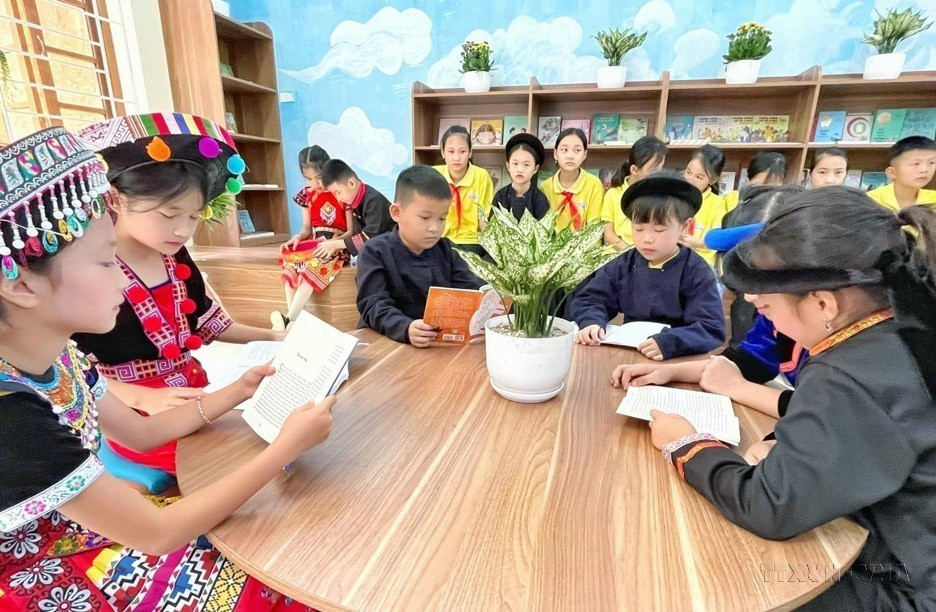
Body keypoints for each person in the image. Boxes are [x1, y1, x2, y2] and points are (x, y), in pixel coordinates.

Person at [0, 127, 334, 610]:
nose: (123, 280)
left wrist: (238, 390)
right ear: (20, 286)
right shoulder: (10, 413)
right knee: (282, 580)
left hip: (103, 529)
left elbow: (139, 434)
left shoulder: (59, 358)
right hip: (56, 574)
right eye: (106, 262)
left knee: (281, 537)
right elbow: (156, 534)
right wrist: (287, 446)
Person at [621, 187, 936, 610]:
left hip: (902, 583)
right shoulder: (905, 322)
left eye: (766, 305)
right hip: (900, 543)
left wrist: (686, 443)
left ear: (823, 304)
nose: (752, 303)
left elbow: (769, 506)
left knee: (717, 580)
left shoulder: (847, 374)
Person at [74, 113, 283, 474]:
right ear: (116, 200)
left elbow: (205, 322)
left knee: (269, 437)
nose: (182, 230)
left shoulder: (174, 255)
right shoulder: (88, 270)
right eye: (169, 214)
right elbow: (69, 367)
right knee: (230, 466)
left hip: (196, 392)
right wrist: (141, 396)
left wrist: (277, 338)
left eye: (193, 217)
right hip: (135, 414)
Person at [570, 171, 725, 360]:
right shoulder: (623, 263)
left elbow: (710, 327)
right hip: (628, 351)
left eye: (659, 229)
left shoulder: (696, 271)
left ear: (684, 227)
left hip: (677, 357)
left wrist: (671, 342)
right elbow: (591, 299)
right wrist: (592, 321)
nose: (647, 239)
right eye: (639, 228)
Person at [356, 166, 484, 347]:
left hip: (436, 346)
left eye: (442, 218)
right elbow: (373, 304)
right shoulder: (374, 252)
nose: (435, 228)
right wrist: (405, 327)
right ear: (396, 213)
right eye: (425, 217)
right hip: (385, 345)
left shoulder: (447, 250)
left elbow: (471, 291)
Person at [272, 145, 353, 330]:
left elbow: (351, 231)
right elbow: (307, 229)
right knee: (291, 264)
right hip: (314, 245)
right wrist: (297, 238)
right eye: (309, 179)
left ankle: (289, 319)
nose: (315, 183)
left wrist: (333, 244)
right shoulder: (306, 195)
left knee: (312, 266)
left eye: (319, 177)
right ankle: (291, 318)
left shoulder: (340, 193)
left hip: (336, 247)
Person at [311, 158, 395, 264]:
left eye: (338, 192)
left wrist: (335, 244)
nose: (339, 199)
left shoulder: (374, 200)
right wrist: (334, 244)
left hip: (393, 255)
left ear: (351, 183)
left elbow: (369, 237)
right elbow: (356, 235)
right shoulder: (354, 202)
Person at [433, 125, 494, 256]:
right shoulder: (434, 175)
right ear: (443, 152)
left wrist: (492, 249)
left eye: (462, 151)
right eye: (451, 151)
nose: (456, 158)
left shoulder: (481, 176)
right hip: (441, 239)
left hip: (472, 241)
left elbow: (483, 218)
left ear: (470, 152)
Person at [601, 135, 666, 250]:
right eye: (653, 170)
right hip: (618, 254)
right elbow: (608, 235)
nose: (658, 175)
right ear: (634, 170)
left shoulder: (660, 196)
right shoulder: (613, 194)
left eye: (661, 169)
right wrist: (631, 254)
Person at [540, 128, 605, 232]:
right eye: (564, 150)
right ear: (555, 154)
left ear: (584, 155)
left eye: (577, 150)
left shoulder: (594, 184)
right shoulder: (545, 187)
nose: (570, 156)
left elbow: (594, 230)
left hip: (584, 242)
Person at [680, 144, 727, 266]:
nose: (690, 179)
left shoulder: (717, 205)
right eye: (688, 172)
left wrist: (700, 243)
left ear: (713, 180)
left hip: (701, 264)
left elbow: (719, 241)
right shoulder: (675, 194)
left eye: (699, 177)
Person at [866, 135, 936, 211]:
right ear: (892, 172)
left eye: (931, 163)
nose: (925, 169)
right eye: (916, 164)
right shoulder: (870, 201)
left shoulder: (933, 199)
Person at [491, 133, 550, 221]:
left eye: (526, 165)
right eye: (515, 164)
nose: (520, 169)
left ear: (535, 168)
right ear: (508, 166)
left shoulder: (539, 199)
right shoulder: (501, 196)